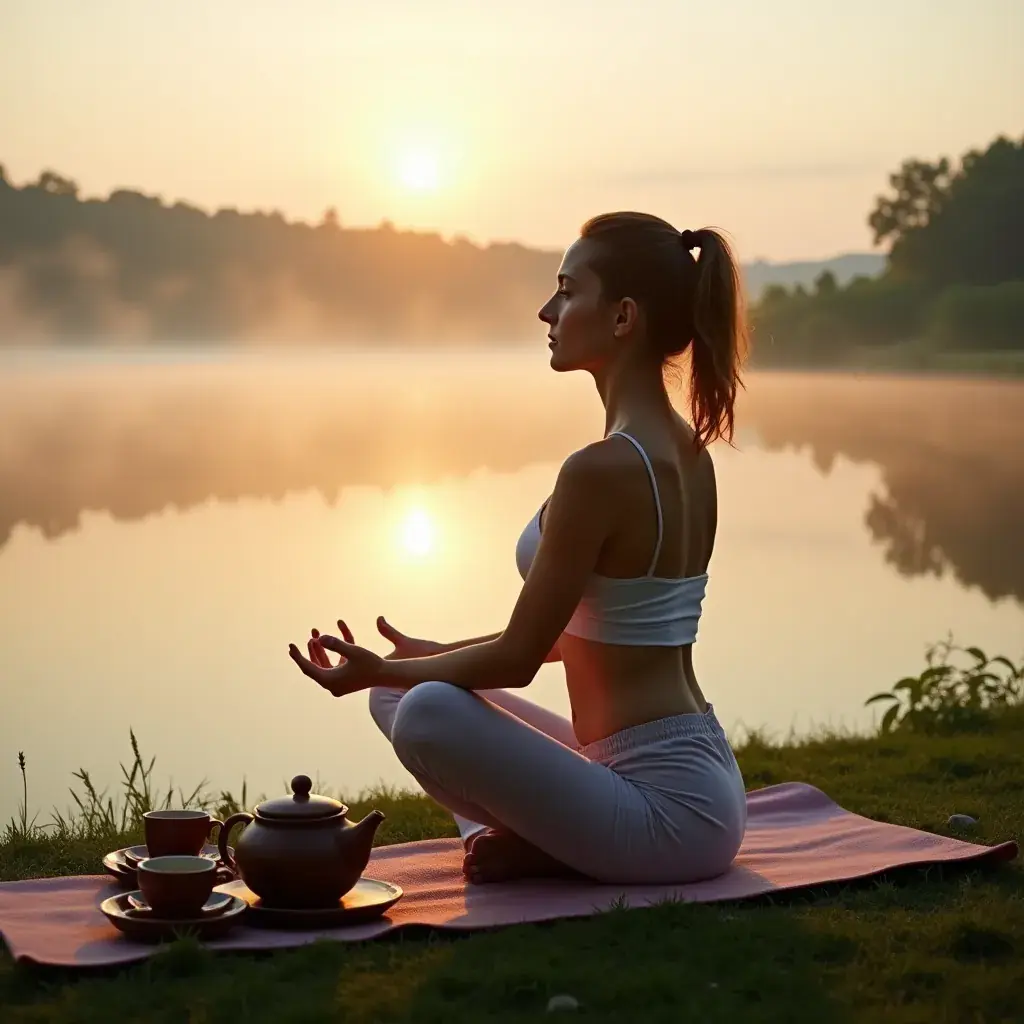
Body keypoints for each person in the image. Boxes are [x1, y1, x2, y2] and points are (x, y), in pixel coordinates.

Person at [288, 212, 749, 886]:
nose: (546, 310)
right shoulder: (686, 455)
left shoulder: (604, 470)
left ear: (623, 317)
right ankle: (530, 838)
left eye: (567, 290)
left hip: (668, 815)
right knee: (400, 693)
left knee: (419, 706)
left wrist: (382, 671)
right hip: (688, 778)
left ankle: (528, 838)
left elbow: (519, 659)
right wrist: (427, 656)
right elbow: (589, 635)